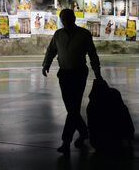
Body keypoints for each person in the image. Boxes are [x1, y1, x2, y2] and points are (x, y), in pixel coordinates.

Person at [42, 8, 102, 155]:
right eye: (64, 19)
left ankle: (66, 142)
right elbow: (51, 50)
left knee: (73, 108)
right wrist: (46, 64)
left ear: (74, 19)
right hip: (64, 75)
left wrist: (97, 72)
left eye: (68, 19)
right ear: (61, 21)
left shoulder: (84, 34)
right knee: (72, 109)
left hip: (79, 73)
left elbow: (92, 54)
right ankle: (83, 133)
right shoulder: (58, 34)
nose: (66, 22)